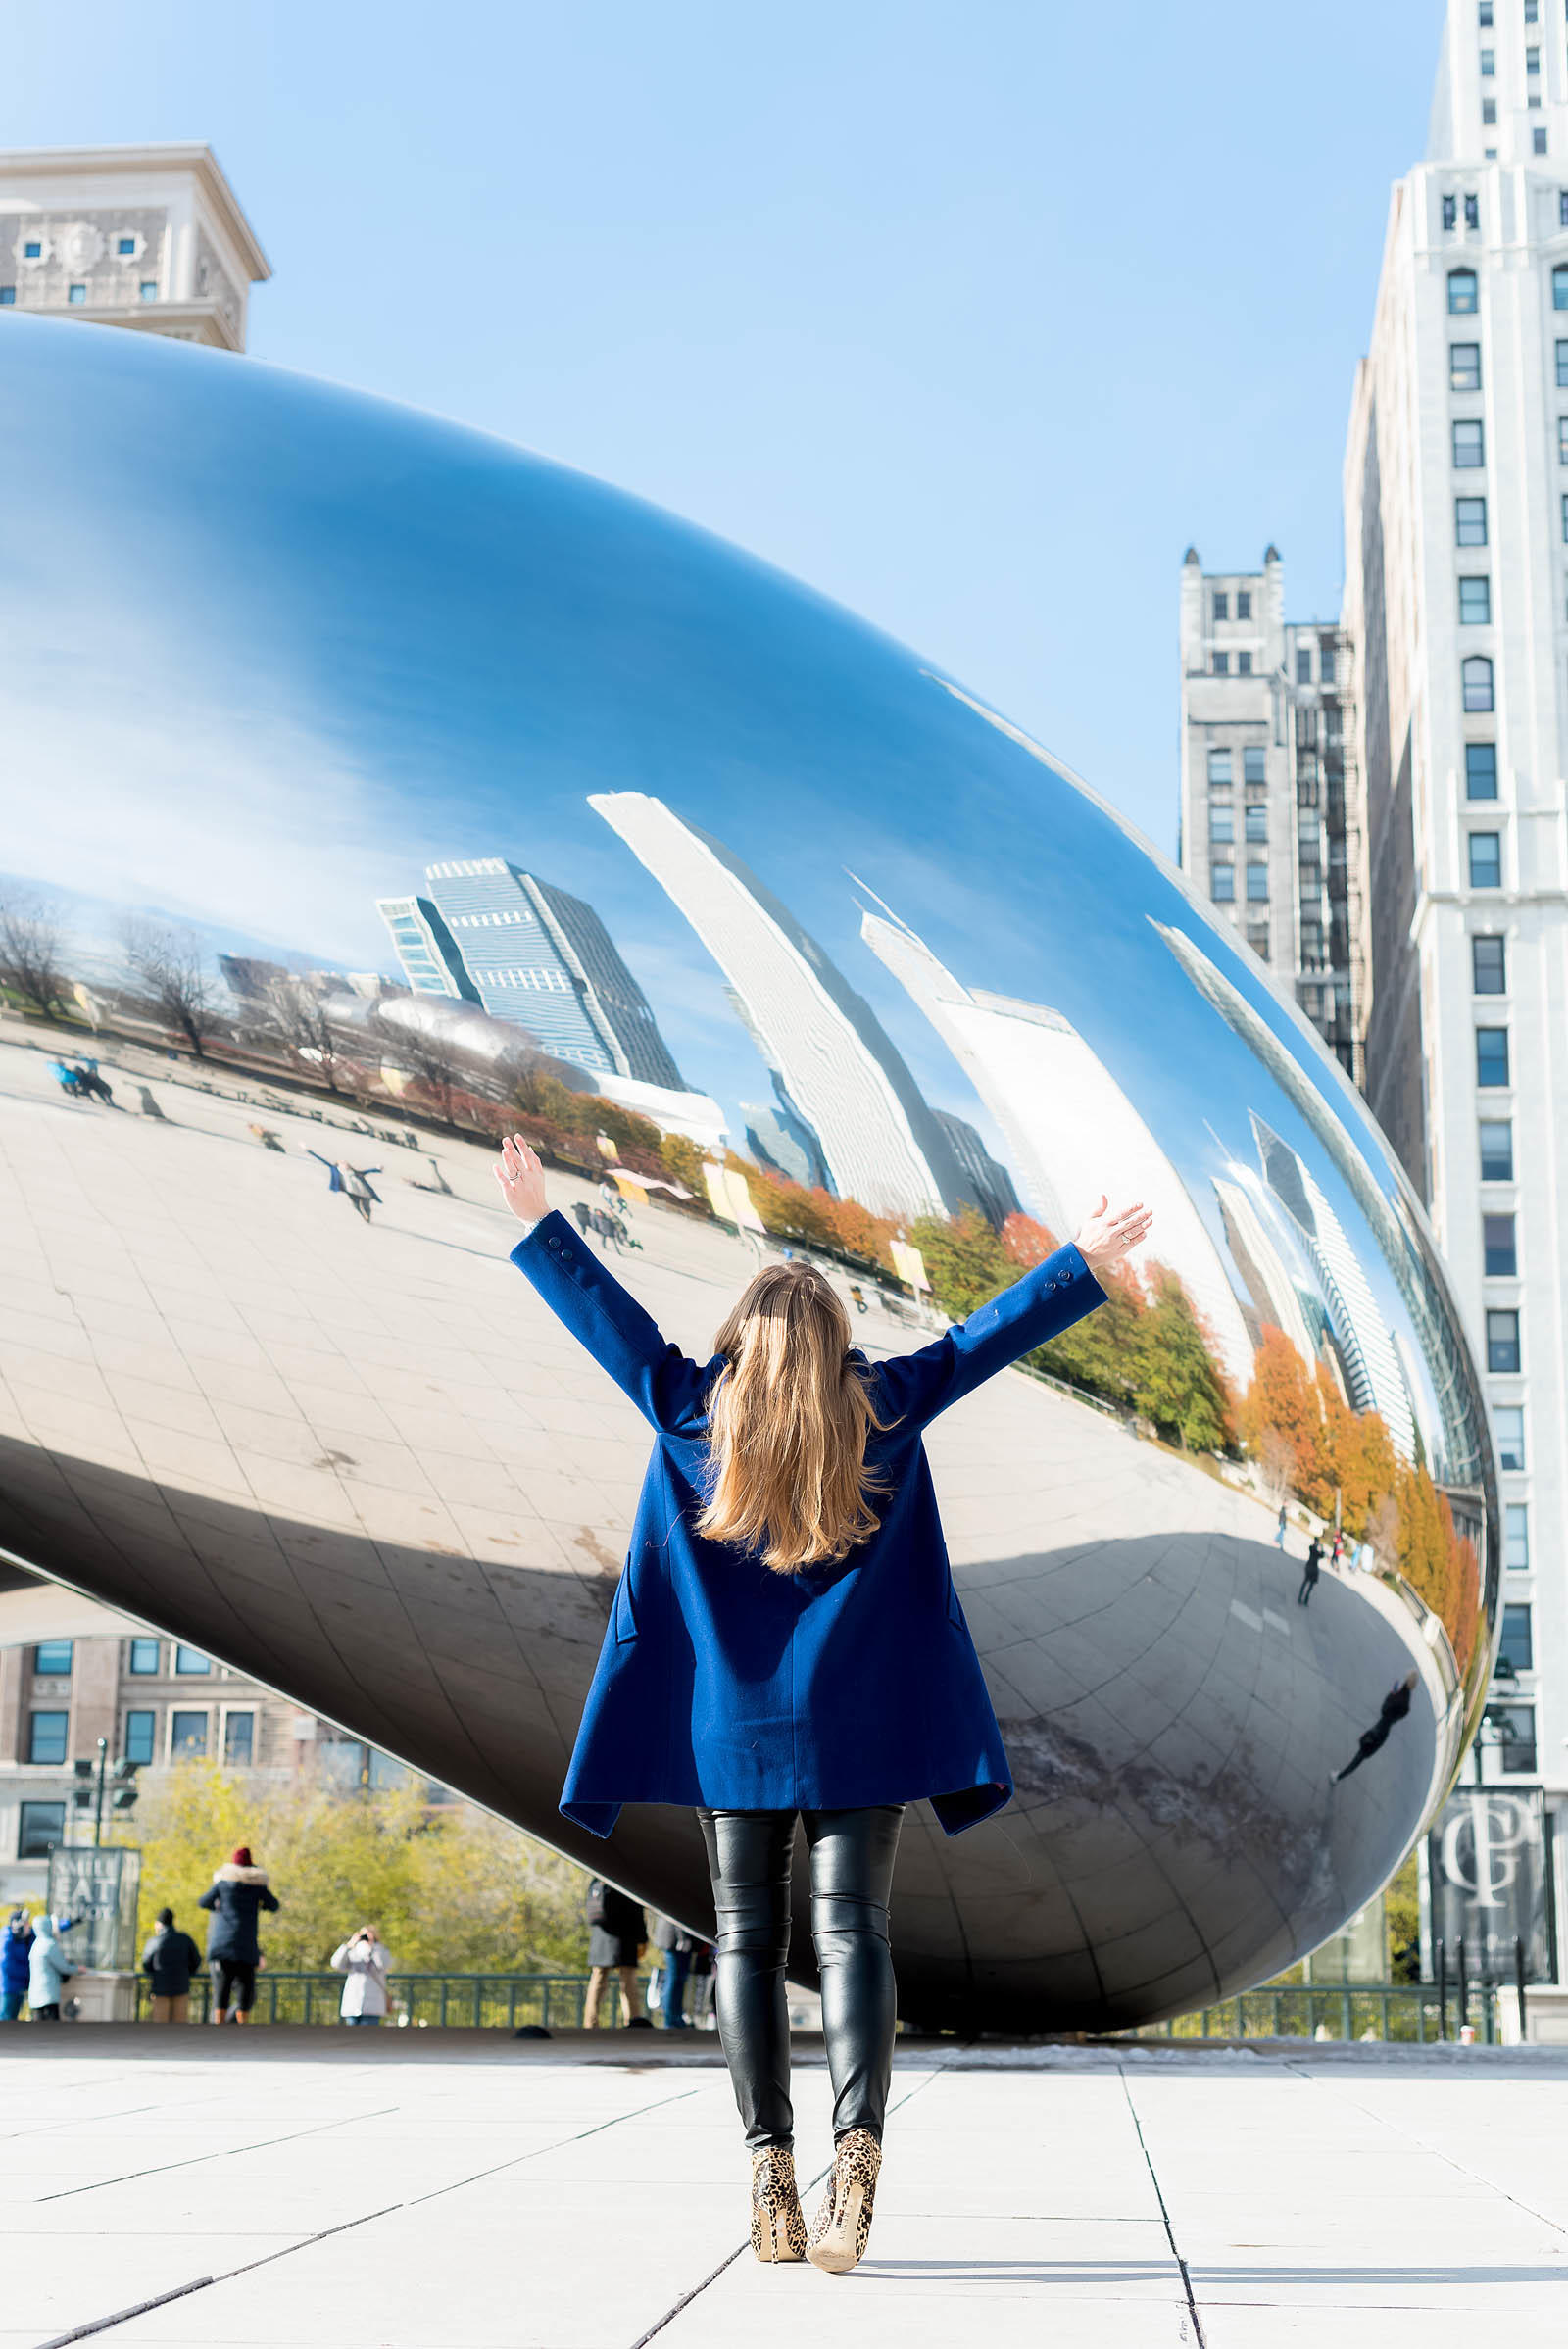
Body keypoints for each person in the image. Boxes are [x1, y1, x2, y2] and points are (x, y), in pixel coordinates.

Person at [495, 1132, 1149, 2274]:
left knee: (745, 1947)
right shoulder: (883, 1408)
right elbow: (980, 1342)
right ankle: (856, 2167)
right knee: (857, 1939)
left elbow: (612, 1326)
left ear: (739, 1341)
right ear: (839, 1344)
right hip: (864, 1728)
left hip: (731, 1732)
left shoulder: (690, 1411)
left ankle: (769, 2180)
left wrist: (541, 1218)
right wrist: (1080, 1259)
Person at [196, 1844, 279, 2023]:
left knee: (221, 1991)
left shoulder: (222, 1885)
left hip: (222, 1945)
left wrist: (217, 1907)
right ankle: (242, 2028)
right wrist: (260, 1905)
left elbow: (203, 1902)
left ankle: (219, 2026)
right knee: (245, 1992)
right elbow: (274, 1905)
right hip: (246, 1946)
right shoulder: (257, 1888)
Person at [583, 1877, 648, 2027]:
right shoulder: (625, 1879)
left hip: (602, 1937)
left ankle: (590, 2022)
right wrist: (642, 1938)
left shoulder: (596, 1880)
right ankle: (633, 2020)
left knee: (598, 1978)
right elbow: (636, 1911)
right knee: (628, 1980)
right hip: (625, 1937)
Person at [1333, 1673, 1419, 1783]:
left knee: (1360, 1756)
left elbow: (1384, 1710)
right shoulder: (1407, 1705)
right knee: (1362, 1755)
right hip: (1384, 1731)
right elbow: (1395, 1718)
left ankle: (1338, 1777)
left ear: (1406, 1680)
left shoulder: (1397, 1695)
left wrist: (1391, 1694)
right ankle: (1339, 1775)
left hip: (1378, 1729)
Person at [141, 1907, 203, 2023]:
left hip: (160, 1989)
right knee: (179, 2028)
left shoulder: (154, 1942)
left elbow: (146, 1964)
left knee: (160, 2028)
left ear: (159, 1924)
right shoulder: (185, 1939)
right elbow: (197, 1960)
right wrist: (187, 1974)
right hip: (181, 1988)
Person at [329, 1926, 392, 2024]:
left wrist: (373, 1946)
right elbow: (336, 1964)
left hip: (373, 2006)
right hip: (352, 2004)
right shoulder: (353, 1952)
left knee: (369, 2036)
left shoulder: (381, 1950)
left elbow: (383, 1964)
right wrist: (348, 1945)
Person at [305, 1149, 381, 1223]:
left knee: (367, 1206)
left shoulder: (355, 1172)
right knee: (356, 1205)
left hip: (364, 1192)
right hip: (351, 1191)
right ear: (338, 1165)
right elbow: (322, 1160)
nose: (345, 1164)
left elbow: (367, 1171)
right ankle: (364, 1216)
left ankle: (367, 1217)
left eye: (346, 1163)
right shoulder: (336, 1170)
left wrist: (377, 1169)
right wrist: (308, 1150)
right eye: (342, 1163)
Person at [650, 1912, 697, 2029]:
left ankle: (674, 2018)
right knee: (674, 1980)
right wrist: (682, 1938)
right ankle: (672, 2020)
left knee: (676, 1980)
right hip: (675, 1940)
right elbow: (677, 1915)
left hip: (672, 1938)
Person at [27, 1914, 74, 2020]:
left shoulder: (36, 1944)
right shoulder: (49, 1944)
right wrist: (78, 1969)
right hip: (48, 1996)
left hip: (36, 1997)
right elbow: (64, 1967)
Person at [2, 1909, 34, 2022]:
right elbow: (8, 1966)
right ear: (18, 1927)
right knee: (7, 2019)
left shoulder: (25, 1938)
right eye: (26, 1924)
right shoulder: (7, 1940)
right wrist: (29, 1974)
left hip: (20, 1987)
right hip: (9, 1989)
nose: (29, 1926)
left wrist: (69, 1923)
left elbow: (46, 1929)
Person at [1298, 1535, 1323, 1607]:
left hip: (1311, 1568)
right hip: (1312, 1568)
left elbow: (1322, 1555)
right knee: (1306, 1583)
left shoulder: (1314, 1549)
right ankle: (1302, 1598)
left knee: (1308, 1584)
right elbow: (1320, 1555)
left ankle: (1304, 1598)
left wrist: (1320, 1550)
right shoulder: (1312, 1548)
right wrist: (1320, 1549)